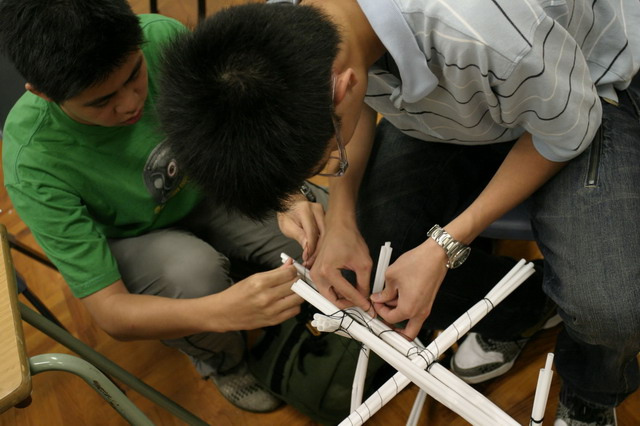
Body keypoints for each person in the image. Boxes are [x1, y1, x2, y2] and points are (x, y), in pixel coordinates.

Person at [157, 1, 640, 425]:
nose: (330, 169)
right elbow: (355, 102)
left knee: (610, 311)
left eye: (327, 162)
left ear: (342, 88)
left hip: (586, 88)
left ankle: (592, 390)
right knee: (373, 245)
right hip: (458, 103)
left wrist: (444, 245)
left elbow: (565, 131)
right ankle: (528, 310)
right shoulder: (281, 28)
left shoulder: (488, 35)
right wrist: (340, 220)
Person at [0, 0, 329, 413]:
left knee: (315, 229)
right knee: (191, 276)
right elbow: (112, 313)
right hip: (136, 237)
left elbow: (241, 126)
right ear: (43, 94)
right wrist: (220, 313)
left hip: (210, 184)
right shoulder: (32, 161)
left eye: (135, 74)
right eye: (100, 101)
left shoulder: (162, 39)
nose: (129, 104)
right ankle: (223, 360)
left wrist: (288, 194)